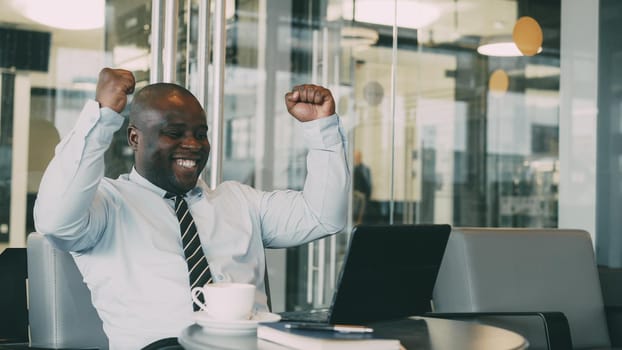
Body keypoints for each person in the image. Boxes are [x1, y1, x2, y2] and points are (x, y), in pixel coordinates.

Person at [33, 68, 350, 349]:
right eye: (174, 133)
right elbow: (55, 221)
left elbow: (322, 216)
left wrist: (321, 129)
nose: (194, 145)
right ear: (134, 138)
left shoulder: (239, 201)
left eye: (201, 134)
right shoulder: (108, 206)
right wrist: (102, 117)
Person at [352, 150, 372, 224]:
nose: (356, 158)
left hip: (362, 195)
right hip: (353, 196)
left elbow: (368, 184)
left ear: (360, 157)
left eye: (357, 157)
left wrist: (368, 197)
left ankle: (359, 221)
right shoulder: (352, 169)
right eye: (355, 157)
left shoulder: (365, 169)